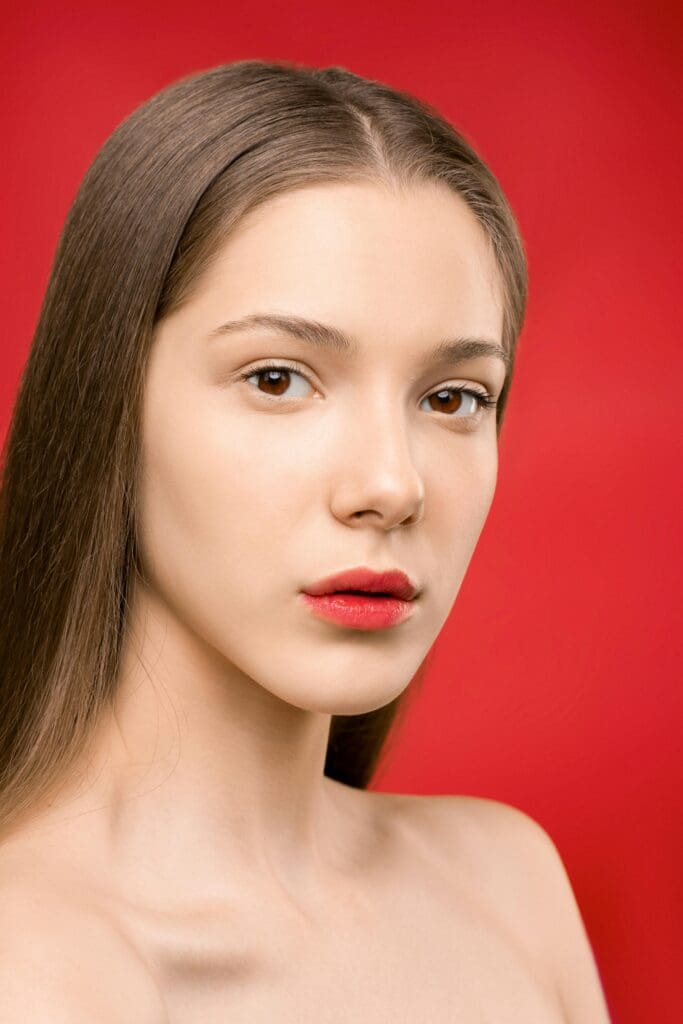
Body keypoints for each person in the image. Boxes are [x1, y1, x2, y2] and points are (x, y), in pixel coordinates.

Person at [0, 59, 611, 1021]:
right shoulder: (33, 970)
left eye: (452, 398)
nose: (389, 485)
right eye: (278, 378)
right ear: (104, 404)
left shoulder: (508, 885)